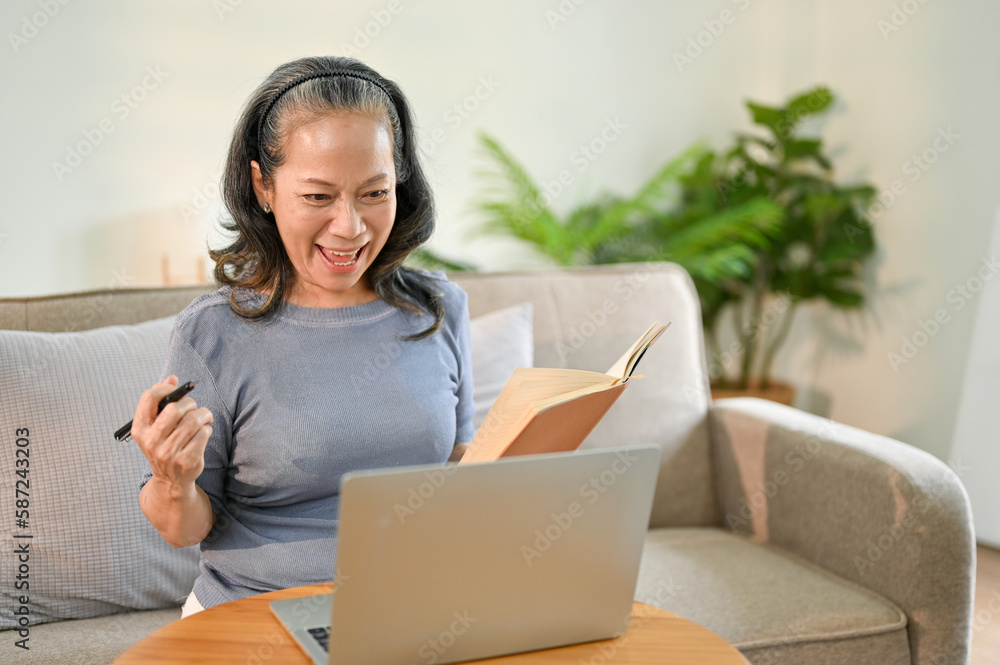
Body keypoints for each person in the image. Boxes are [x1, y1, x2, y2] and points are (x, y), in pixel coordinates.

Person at [134, 56, 475, 618]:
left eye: (374, 192)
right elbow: (183, 528)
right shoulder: (213, 333)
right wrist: (173, 479)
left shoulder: (437, 307)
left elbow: (459, 462)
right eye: (318, 197)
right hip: (258, 610)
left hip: (409, 608)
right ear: (263, 186)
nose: (350, 226)